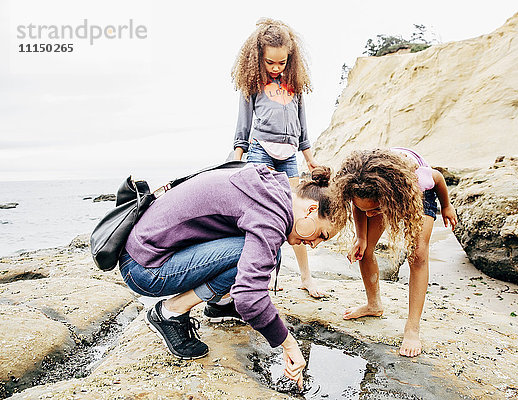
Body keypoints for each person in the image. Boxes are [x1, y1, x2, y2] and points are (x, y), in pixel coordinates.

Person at [118, 163, 346, 389]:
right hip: (144, 268)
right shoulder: (271, 213)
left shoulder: (272, 186)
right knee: (254, 255)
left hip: (147, 250)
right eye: (322, 235)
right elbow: (249, 297)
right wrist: (288, 344)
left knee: (266, 255)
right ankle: (169, 312)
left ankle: (221, 303)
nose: (315, 245)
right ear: (311, 210)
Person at [231, 18, 324, 298]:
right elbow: (243, 126)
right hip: (260, 151)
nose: (275, 68)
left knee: (295, 217)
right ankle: (262, 277)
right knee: (262, 217)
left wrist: (310, 159)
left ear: (290, 59)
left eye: (281, 62)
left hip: (289, 156)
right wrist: (237, 157)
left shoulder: (295, 84)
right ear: (259, 57)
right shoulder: (252, 83)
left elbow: (303, 127)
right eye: (270, 62)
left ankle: (306, 277)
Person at [333, 148, 458, 357]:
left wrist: (446, 206)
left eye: (374, 210)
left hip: (415, 193)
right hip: (382, 191)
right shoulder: (361, 184)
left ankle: (412, 328)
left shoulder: (421, 180)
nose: (370, 215)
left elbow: (438, 178)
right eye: (366, 210)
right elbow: (361, 207)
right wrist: (361, 238)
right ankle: (373, 305)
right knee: (364, 250)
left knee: (418, 255)